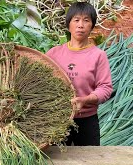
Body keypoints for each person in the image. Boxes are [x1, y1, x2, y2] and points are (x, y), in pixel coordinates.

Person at [46, 2, 113, 146]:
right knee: (57, 162)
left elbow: (105, 88)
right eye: (76, 20)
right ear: (68, 24)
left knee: (90, 163)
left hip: (87, 120)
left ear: (92, 26)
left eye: (86, 20)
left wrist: (85, 100)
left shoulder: (98, 55)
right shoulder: (53, 54)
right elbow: (41, 83)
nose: (80, 25)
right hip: (57, 119)